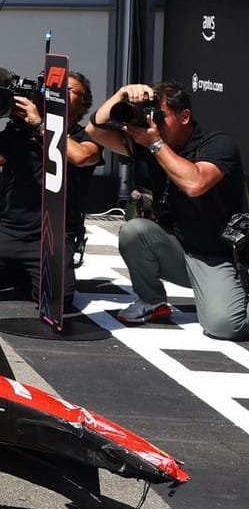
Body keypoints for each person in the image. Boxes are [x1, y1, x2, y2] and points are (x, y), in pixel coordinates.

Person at [84, 82, 248, 337]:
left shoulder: (217, 143)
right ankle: (152, 302)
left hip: (218, 256)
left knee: (224, 326)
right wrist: (121, 94)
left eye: (160, 116)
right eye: (151, 116)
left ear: (184, 116)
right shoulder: (151, 144)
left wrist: (156, 144)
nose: (154, 123)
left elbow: (195, 183)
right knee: (134, 231)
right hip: (179, 251)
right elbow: (94, 131)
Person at [0, 71, 101, 307]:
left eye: (68, 91)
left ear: (84, 103)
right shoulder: (19, 133)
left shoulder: (84, 138)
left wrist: (40, 124)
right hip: (8, 230)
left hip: (52, 235)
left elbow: (80, 157)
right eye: (55, 91)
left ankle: (31, 275)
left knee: (57, 301)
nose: (59, 95)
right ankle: (22, 274)